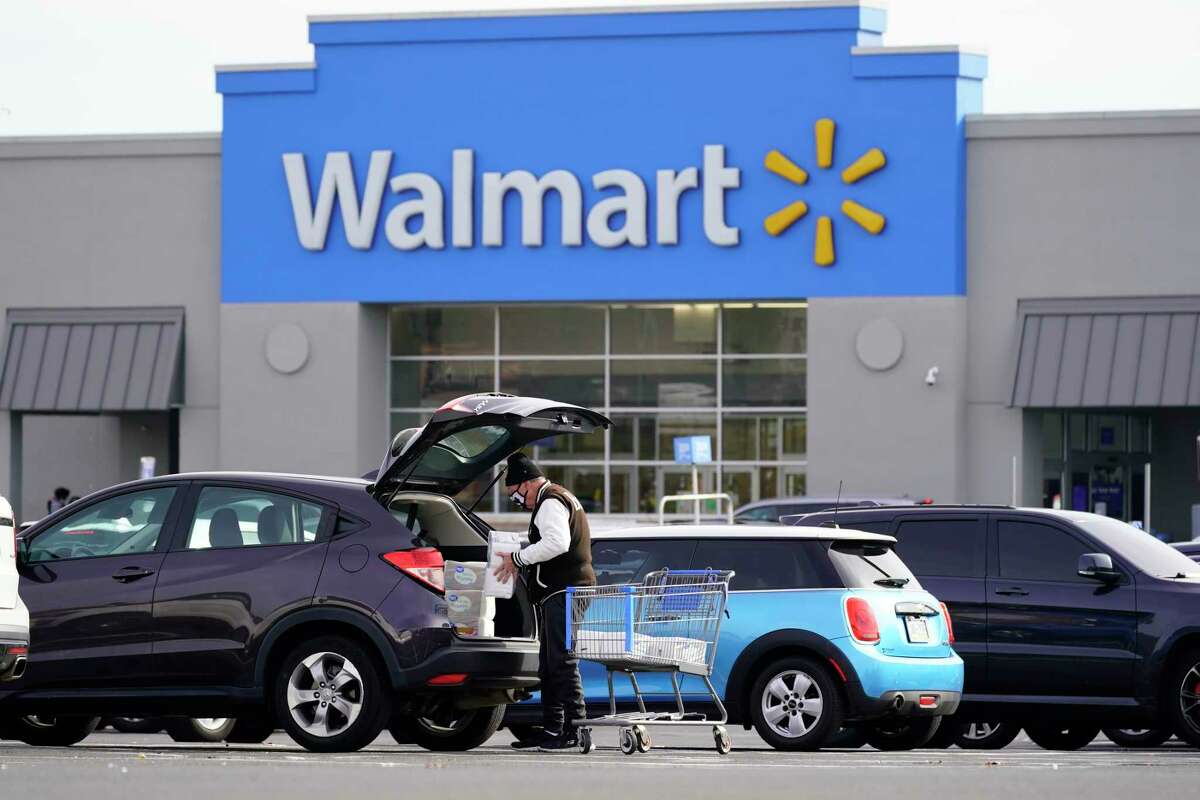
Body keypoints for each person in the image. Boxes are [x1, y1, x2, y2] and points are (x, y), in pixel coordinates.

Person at [493, 453, 595, 752]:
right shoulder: (557, 497)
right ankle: (553, 730)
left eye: (515, 497)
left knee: (562, 661)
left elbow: (557, 543)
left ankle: (575, 728)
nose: (518, 503)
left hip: (565, 591)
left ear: (526, 484)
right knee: (550, 664)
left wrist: (517, 557)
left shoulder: (550, 501)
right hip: (560, 591)